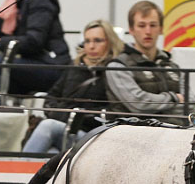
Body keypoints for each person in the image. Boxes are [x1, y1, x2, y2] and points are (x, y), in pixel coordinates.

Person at [23, 19, 123, 154]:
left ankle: (15, 169)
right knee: (50, 153)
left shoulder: (114, 70)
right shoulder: (74, 66)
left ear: (110, 42)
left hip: (91, 136)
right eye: (87, 41)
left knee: (48, 126)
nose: (91, 46)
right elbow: (51, 98)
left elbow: (112, 110)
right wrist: (66, 115)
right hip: (64, 128)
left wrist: (74, 117)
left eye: (98, 41)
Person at [105, 1, 191, 124]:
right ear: (131, 30)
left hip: (175, 133)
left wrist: (157, 107)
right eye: (141, 25)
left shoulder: (172, 66)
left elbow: (190, 105)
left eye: (153, 25)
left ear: (161, 29)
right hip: (134, 135)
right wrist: (174, 98)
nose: (148, 31)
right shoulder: (117, 66)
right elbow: (138, 105)